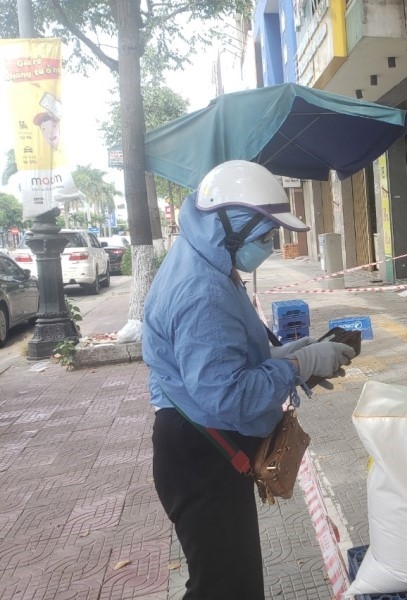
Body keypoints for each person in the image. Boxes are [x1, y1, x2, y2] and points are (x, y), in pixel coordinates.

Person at [143, 160, 357, 599]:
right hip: (202, 454)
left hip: (201, 443)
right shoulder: (203, 288)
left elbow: (221, 361)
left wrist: (283, 356)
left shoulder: (206, 262)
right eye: (264, 235)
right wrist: (298, 367)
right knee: (225, 588)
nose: (270, 246)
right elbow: (231, 397)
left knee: (225, 581)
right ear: (230, 225)